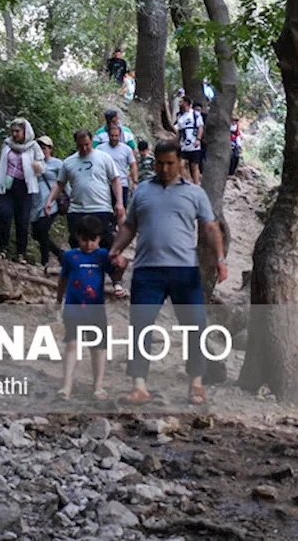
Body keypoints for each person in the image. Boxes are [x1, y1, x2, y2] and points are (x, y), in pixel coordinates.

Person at [109, 139, 226, 406]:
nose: (164, 168)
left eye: (170, 163)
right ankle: (139, 385)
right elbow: (129, 226)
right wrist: (115, 248)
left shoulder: (195, 193)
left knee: (194, 326)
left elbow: (209, 227)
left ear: (180, 162)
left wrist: (220, 258)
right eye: (160, 163)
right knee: (140, 327)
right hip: (147, 270)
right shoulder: (142, 192)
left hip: (184, 270)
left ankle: (196, 383)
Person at [43, 128, 125, 264]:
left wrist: (119, 202)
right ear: (76, 144)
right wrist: (49, 200)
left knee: (106, 242)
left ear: (91, 141)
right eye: (81, 145)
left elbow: (115, 179)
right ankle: (81, 271)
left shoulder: (104, 158)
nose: (84, 148)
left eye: (87, 144)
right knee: (77, 243)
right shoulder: (69, 162)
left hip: (101, 207)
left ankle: (110, 275)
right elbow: (60, 184)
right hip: (77, 209)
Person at [56, 215, 109, 400]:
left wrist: (120, 267)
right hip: (73, 308)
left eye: (93, 240)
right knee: (72, 345)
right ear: (78, 237)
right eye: (84, 239)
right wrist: (58, 300)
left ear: (99, 239)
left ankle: (98, 385)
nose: (88, 244)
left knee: (98, 348)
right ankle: (66, 384)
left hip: (96, 309)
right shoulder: (70, 256)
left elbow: (115, 271)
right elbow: (63, 279)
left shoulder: (102, 255)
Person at [0, 117, 45, 262]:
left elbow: (42, 166)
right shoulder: (7, 144)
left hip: (24, 187)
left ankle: (21, 253)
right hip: (6, 185)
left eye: (17, 131)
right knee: (3, 215)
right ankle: (2, 250)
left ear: (25, 131)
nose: (14, 134)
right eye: (12, 131)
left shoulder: (33, 146)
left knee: (22, 220)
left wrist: (37, 167)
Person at [30, 135, 65, 274]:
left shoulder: (58, 164)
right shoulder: (33, 163)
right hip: (35, 201)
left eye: (44, 148)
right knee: (36, 233)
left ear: (51, 149)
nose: (42, 150)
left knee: (43, 229)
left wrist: (69, 196)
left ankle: (45, 262)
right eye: (39, 148)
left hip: (51, 201)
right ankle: (59, 254)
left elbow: (63, 182)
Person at [97, 123, 138, 206]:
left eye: (116, 136)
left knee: (121, 209)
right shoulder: (100, 149)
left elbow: (133, 165)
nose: (114, 138)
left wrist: (135, 182)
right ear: (108, 135)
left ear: (120, 136)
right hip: (104, 185)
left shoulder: (126, 149)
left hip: (122, 184)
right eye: (112, 136)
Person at [175, 97, 204, 185]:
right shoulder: (179, 115)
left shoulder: (195, 114)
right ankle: (186, 182)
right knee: (180, 165)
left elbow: (200, 127)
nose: (179, 104)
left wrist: (198, 139)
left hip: (194, 143)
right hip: (183, 144)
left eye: (181, 102)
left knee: (194, 166)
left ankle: (196, 183)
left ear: (186, 103)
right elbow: (178, 130)